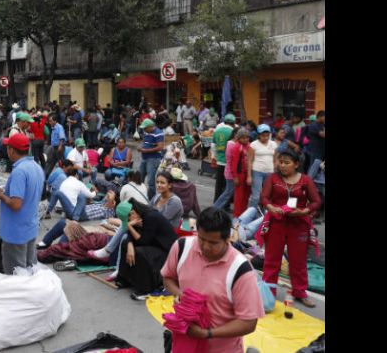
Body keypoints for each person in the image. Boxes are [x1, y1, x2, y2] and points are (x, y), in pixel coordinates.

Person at [161, 207, 264, 352]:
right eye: (201, 239)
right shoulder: (182, 247)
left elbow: (248, 323)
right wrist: (180, 294)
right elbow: (168, 277)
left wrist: (207, 334)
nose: (205, 246)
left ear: (228, 238)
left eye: (213, 243)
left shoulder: (241, 271)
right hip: (184, 343)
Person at [260, 150, 321, 308]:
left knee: (298, 261)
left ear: (296, 164)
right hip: (277, 223)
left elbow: (316, 201)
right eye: (280, 162)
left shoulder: (306, 180)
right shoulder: (272, 178)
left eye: (287, 163)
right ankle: (268, 293)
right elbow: (264, 198)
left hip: (299, 224)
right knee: (272, 260)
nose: (282, 165)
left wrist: (305, 211)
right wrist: (271, 207)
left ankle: (300, 292)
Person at [0, 133, 45, 274]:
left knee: (16, 274)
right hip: (30, 227)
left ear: (12, 150)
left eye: (8, 147)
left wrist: (0, 195)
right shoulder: (36, 167)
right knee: (29, 269)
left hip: (15, 232)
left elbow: (16, 204)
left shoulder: (19, 172)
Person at [116, 199, 178, 299]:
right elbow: (132, 236)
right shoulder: (139, 215)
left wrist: (129, 227)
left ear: (132, 213)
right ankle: (125, 279)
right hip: (154, 246)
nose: (128, 222)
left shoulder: (151, 217)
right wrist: (130, 244)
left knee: (139, 252)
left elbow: (143, 241)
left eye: (128, 220)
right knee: (125, 243)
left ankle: (146, 290)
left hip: (166, 252)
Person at [214, 128, 251, 217]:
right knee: (228, 193)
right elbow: (232, 162)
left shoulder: (246, 146)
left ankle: (218, 208)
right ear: (237, 136)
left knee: (230, 193)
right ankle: (215, 209)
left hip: (237, 173)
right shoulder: (233, 145)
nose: (246, 139)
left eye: (247, 137)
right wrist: (235, 176)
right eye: (243, 138)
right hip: (232, 174)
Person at [246, 124, 277, 210]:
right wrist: (249, 176)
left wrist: (275, 172)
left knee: (267, 195)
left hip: (270, 172)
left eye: (267, 135)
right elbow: (249, 160)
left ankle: (264, 215)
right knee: (256, 196)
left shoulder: (273, 144)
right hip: (257, 171)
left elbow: (275, 160)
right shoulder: (253, 145)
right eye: (263, 135)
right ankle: (251, 213)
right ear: (259, 135)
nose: (265, 137)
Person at [211, 114, 237, 204]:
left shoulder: (217, 131)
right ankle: (225, 204)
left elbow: (213, 145)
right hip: (229, 163)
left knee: (219, 184)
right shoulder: (233, 132)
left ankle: (216, 201)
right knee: (227, 186)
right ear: (233, 123)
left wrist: (213, 157)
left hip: (219, 161)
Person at [138, 118, 164, 200]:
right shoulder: (147, 132)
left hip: (153, 159)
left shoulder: (158, 133)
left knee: (151, 182)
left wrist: (145, 150)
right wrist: (141, 146)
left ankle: (151, 200)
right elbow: (145, 142)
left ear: (150, 126)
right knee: (139, 178)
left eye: (145, 127)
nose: (144, 129)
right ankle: (140, 196)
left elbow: (160, 147)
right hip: (144, 158)